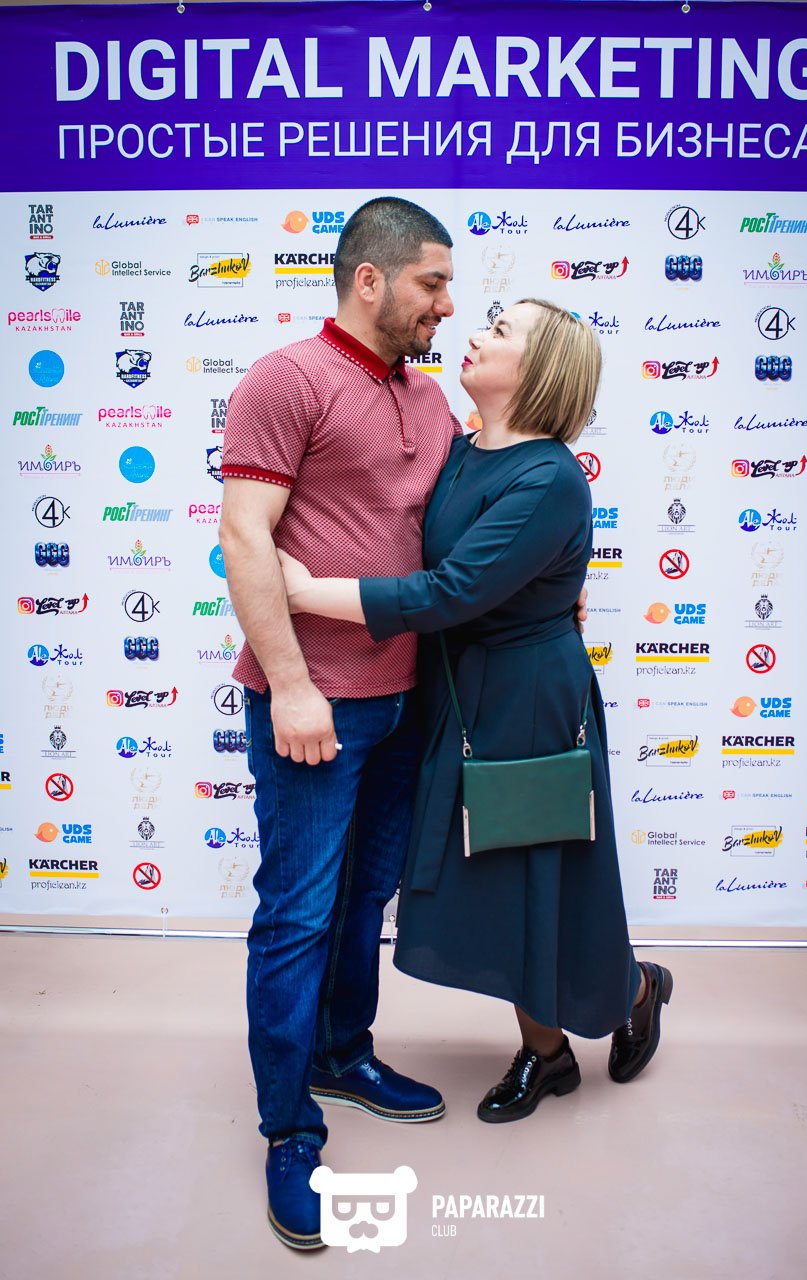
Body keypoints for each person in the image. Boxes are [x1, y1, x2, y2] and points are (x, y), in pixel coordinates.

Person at [279, 298, 674, 1127]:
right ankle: (554, 1048)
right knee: (496, 884)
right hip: (457, 690)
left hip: (527, 699)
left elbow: (451, 591)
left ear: (537, 370)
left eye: (499, 331)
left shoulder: (551, 477)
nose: (475, 335)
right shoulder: (460, 452)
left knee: (540, 876)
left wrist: (307, 593)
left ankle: (621, 999)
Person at [219, 198, 461, 1252]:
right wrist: (291, 683)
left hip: (407, 701)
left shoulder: (430, 396)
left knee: (366, 895)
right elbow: (245, 536)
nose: (444, 304)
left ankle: (341, 1051)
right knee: (297, 914)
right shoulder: (288, 379)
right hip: (312, 705)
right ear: (371, 278)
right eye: (431, 283)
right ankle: (288, 1129)